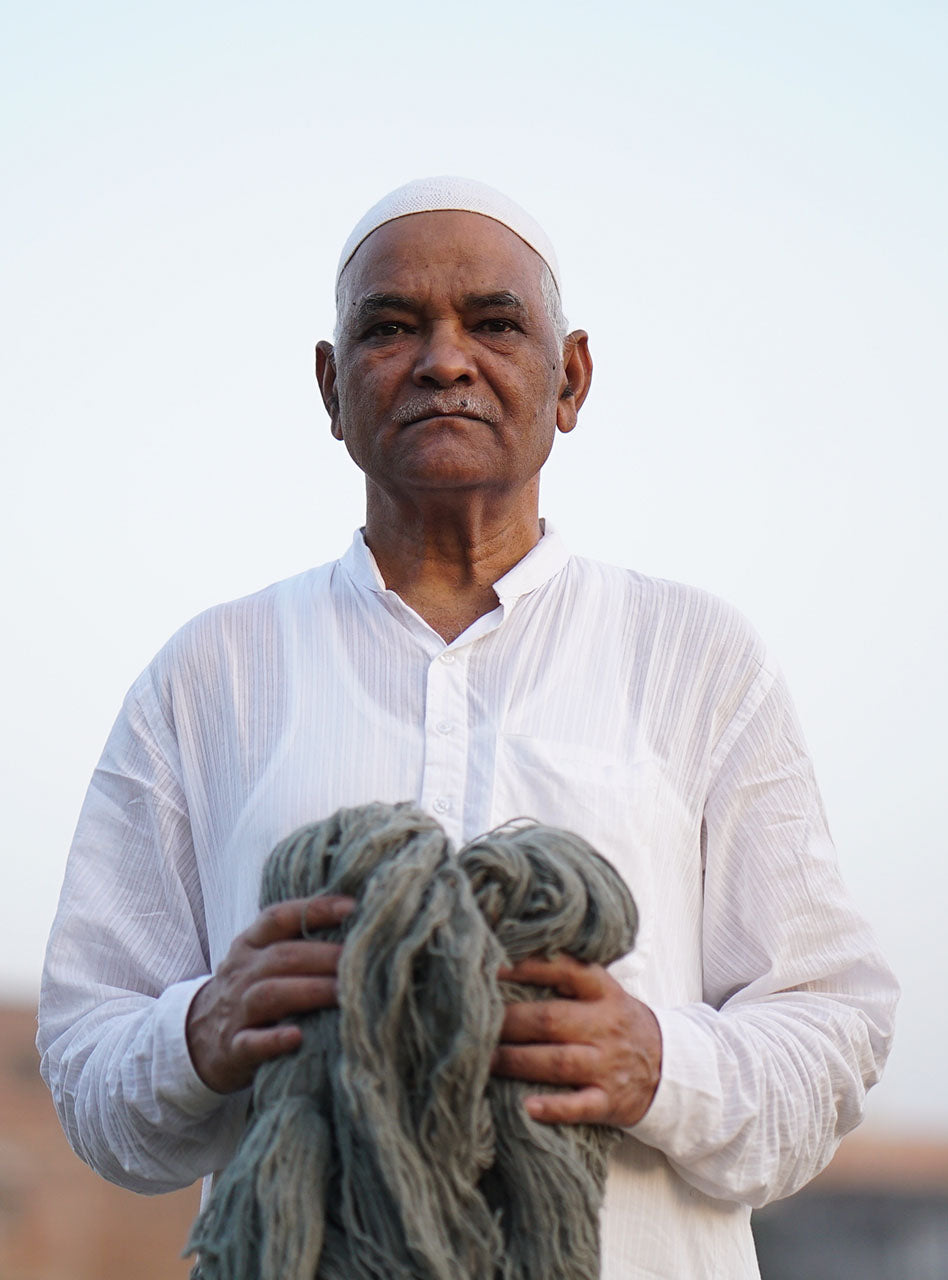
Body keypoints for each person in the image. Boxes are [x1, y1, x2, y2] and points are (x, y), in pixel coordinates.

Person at [38, 176, 898, 1278]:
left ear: (570, 378)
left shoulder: (698, 658)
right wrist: (200, 1031)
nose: (445, 359)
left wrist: (658, 1061)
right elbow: (83, 1053)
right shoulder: (208, 675)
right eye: (391, 328)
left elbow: (830, 1029)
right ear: (330, 385)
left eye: (493, 323)